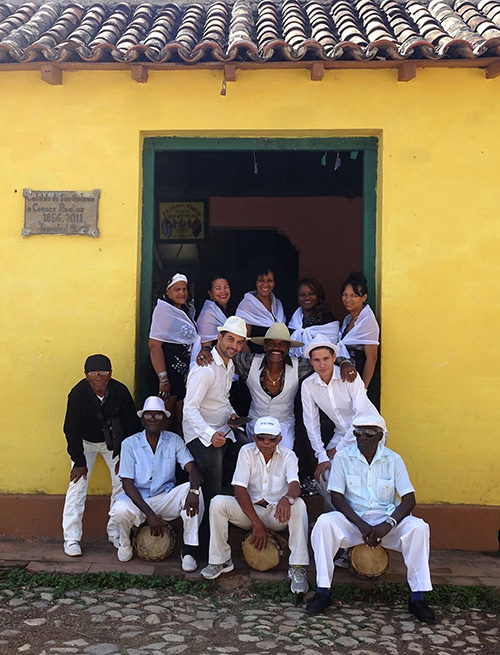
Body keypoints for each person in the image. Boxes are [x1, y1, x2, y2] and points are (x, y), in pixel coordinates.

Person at [306, 413, 435, 623]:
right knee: (324, 523)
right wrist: (361, 524)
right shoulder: (343, 457)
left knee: (419, 527)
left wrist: (389, 524)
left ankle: (418, 597)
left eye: (369, 433)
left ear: (381, 435)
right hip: (354, 524)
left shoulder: (393, 460)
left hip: (387, 525)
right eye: (358, 432)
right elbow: (337, 497)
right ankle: (323, 591)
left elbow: (409, 499)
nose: (363, 437)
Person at [196, 323, 357, 451]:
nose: (276, 347)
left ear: (288, 348)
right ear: (265, 346)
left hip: (284, 425)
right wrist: (207, 349)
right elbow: (226, 352)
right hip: (255, 423)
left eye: (282, 344)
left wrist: (345, 363)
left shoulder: (299, 366)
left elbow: (324, 360)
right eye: (272, 343)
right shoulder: (249, 362)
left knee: (284, 461)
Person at [200, 416, 310, 595]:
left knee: (299, 505)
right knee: (217, 503)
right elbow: (239, 489)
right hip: (249, 512)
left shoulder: (289, 456)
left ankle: (297, 567)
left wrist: (287, 498)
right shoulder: (246, 451)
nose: (265, 442)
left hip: (276, 513)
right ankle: (220, 560)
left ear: (279, 439)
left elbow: (295, 485)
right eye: (261, 437)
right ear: (254, 437)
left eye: (271, 438)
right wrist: (257, 523)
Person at [183, 316, 250, 557]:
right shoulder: (204, 369)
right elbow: (189, 409)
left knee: (248, 452)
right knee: (214, 476)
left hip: (222, 428)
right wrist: (210, 436)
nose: (234, 346)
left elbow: (222, 398)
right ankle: (202, 543)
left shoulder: (228, 364)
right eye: (230, 339)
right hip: (199, 434)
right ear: (219, 337)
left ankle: (241, 521)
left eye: (239, 342)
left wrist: (233, 416)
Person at [110, 396, 203, 569]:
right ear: (142, 420)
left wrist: (194, 490)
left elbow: (192, 469)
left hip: (165, 497)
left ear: (165, 420)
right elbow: (128, 484)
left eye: (158, 416)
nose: (153, 419)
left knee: (195, 494)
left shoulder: (174, 440)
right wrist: (150, 515)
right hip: (138, 499)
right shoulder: (129, 444)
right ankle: (124, 542)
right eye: (148, 415)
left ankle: (189, 550)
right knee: (119, 510)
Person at [62, 354, 141, 557]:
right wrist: (78, 461)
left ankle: (115, 532)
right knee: (77, 486)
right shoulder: (78, 394)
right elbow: (71, 429)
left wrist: (124, 455)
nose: (99, 377)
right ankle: (71, 538)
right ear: (86, 375)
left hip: (113, 445)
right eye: (93, 373)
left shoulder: (120, 391)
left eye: (104, 373)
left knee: (121, 483)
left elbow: (132, 426)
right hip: (85, 443)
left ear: (110, 374)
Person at [301, 334, 385, 509]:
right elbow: (311, 422)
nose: (322, 364)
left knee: (360, 474)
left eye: (326, 358)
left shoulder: (350, 377)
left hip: (369, 431)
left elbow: (361, 417)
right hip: (342, 433)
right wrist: (322, 455)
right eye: (316, 360)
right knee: (325, 476)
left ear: (334, 358)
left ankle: (365, 518)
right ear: (311, 361)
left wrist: (337, 450)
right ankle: (337, 519)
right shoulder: (308, 385)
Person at [148, 271, 198, 433]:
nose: (182, 293)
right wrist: (163, 379)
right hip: (168, 371)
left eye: (184, 289)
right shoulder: (164, 310)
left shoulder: (187, 310)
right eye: (177, 289)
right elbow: (154, 345)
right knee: (165, 419)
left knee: (179, 420)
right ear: (166, 291)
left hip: (180, 374)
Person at [338, 272, 380, 404]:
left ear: (364, 297)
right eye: (345, 295)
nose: (348, 299)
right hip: (349, 382)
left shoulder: (367, 321)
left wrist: (363, 389)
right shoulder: (347, 320)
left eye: (354, 296)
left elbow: (371, 358)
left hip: (363, 381)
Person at [236, 259, 286, 354]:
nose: (265, 284)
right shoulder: (247, 305)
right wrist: (252, 362)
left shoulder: (278, 304)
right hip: (255, 359)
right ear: (254, 282)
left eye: (270, 280)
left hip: (278, 358)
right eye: (261, 280)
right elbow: (242, 341)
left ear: (275, 283)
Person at [288, 277, 339, 358]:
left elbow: (330, 348)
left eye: (311, 293)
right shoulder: (295, 318)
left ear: (318, 295)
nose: (307, 297)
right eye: (302, 295)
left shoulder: (327, 318)